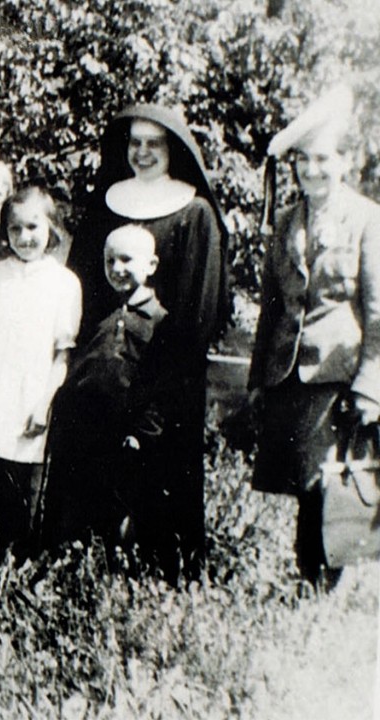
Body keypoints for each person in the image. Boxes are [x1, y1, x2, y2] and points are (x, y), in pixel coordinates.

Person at [68, 104, 228, 581]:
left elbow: (200, 307)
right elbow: (82, 287)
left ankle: (159, 576)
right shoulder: (107, 203)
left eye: (153, 144)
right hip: (106, 366)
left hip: (166, 370)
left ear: (173, 149)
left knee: (160, 474)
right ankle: (86, 567)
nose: (142, 153)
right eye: (134, 143)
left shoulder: (195, 212)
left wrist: (164, 374)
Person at [249, 84, 380, 586]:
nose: (312, 170)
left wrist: (370, 387)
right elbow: (271, 308)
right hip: (289, 375)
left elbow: (377, 313)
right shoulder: (286, 221)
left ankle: (325, 585)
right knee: (305, 487)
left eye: (324, 159)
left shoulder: (367, 219)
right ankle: (311, 582)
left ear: (345, 161)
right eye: (303, 160)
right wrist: (258, 381)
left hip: (337, 375)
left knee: (330, 481)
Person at [44, 225, 176, 567]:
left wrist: (142, 433)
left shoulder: (159, 321)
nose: (117, 268)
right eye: (109, 260)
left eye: (126, 260)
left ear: (151, 265)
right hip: (85, 429)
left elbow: (162, 387)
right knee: (76, 501)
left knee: (118, 509)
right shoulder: (99, 313)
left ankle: (112, 572)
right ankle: (70, 564)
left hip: (124, 434)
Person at [0, 187, 81, 558]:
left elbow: (62, 353)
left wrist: (43, 402)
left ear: (51, 228)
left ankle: (14, 566)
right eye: (15, 228)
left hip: (29, 397)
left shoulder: (63, 282)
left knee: (20, 489)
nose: (25, 237)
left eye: (33, 227)